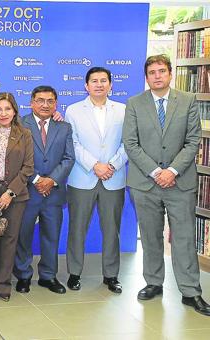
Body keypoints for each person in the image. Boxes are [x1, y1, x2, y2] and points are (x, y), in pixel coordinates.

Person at [123, 54, 210, 316]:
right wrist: (155, 171)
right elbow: (131, 143)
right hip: (144, 183)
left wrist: (171, 170)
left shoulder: (188, 101)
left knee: (183, 239)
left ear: (170, 73)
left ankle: (191, 291)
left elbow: (193, 140)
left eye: (162, 71)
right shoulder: (134, 103)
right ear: (146, 77)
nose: (157, 76)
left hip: (179, 182)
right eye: (152, 72)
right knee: (150, 237)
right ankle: (153, 282)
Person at [64, 67, 127, 293]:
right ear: (86, 85)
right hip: (83, 177)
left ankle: (111, 275)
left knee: (112, 229)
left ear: (111, 85)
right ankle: (74, 273)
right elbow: (73, 143)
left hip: (114, 177)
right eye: (94, 81)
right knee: (77, 228)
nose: (99, 84)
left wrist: (112, 165)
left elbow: (128, 142)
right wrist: (94, 165)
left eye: (103, 81)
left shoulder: (123, 110)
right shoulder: (73, 110)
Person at [14, 85, 74, 295]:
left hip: (54, 193)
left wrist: (52, 180)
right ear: (31, 102)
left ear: (55, 104)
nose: (45, 105)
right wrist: (38, 179)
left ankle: (48, 276)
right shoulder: (20, 124)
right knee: (24, 235)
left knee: (51, 235)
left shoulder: (64, 127)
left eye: (50, 101)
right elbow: (16, 158)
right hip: (28, 191)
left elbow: (69, 158)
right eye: (40, 100)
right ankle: (23, 275)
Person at [0, 92, 34, 301]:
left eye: (7, 109)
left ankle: (3, 282)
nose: (3, 113)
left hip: (15, 195)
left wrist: (10, 193)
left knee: (10, 239)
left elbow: (28, 168)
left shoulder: (24, 134)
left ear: (15, 111)